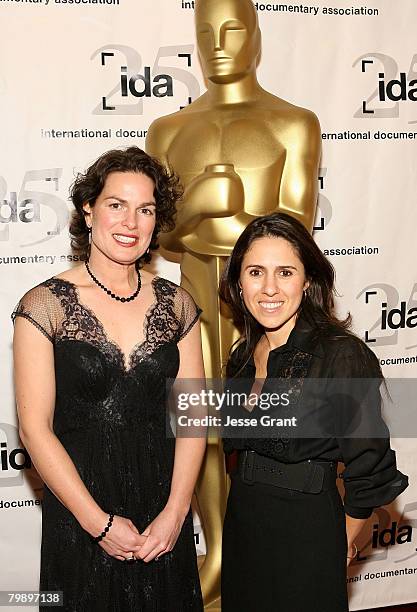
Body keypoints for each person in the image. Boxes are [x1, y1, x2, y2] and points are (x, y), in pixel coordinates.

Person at [12, 147, 206, 611]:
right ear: (88, 209)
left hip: (162, 512)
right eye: (116, 204)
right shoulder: (43, 306)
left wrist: (176, 513)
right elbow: (34, 430)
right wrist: (97, 523)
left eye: (145, 210)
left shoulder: (178, 305)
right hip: (81, 512)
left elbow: (194, 416)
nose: (131, 222)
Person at [219, 212, 408, 612]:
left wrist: (338, 544)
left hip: (309, 536)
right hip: (242, 532)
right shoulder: (241, 357)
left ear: (307, 281)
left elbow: (371, 471)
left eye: (285, 272)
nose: (269, 288)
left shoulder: (340, 355)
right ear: (238, 281)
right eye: (255, 272)